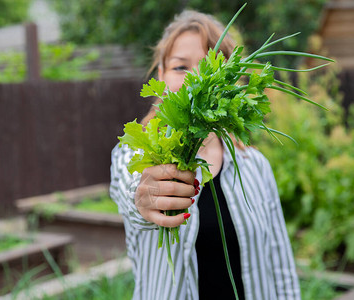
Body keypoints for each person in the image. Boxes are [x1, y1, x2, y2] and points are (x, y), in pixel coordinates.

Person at [110, 10, 301, 300]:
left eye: (210, 68)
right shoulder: (136, 152)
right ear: (160, 75)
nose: (195, 80)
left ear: (231, 81)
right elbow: (130, 187)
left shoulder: (255, 165)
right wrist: (144, 195)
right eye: (180, 67)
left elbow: (280, 263)